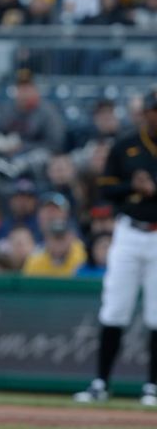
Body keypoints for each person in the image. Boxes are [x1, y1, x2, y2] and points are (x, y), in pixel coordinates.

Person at [73, 89, 157, 407]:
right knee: (114, 308)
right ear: (144, 112)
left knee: (156, 313)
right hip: (129, 231)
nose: (154, 115)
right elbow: (106, 189)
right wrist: (133, 188)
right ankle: (101, 383)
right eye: (152, 110)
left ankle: (152, 386)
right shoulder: (125, 144)